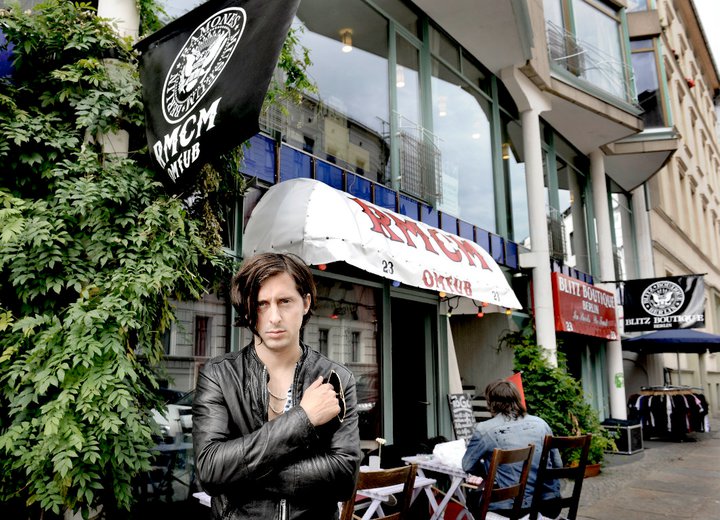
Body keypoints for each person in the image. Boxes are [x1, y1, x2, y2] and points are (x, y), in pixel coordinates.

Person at [193, 252, 362, 519]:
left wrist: (239, 472)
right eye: (261, 304)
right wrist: (303, 418)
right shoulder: (220, 375)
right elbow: (211, 471)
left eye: (285, 301)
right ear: (248, 309)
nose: (274, 317)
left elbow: (344, 479)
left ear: (305, 303)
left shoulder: (335, 378)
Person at [461, 379, 562, 518]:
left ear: (490, 402)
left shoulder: (485, 429)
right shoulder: (541, 424)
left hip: (512, 508)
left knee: (473, 499)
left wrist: (490, 472)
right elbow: (558, 464)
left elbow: (467, 465)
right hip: (550, 503)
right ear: (517, 399)